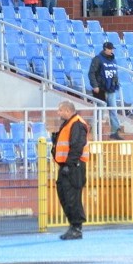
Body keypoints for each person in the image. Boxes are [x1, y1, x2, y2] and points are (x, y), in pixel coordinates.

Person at [50, 101, 89, 240]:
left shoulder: (77, 124)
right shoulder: (69, 123)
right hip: (67, 166)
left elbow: (77, 145)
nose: (58, 113)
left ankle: (77, 227)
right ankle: (73, 225)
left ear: (67, 110)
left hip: (74, 166)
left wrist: (69, 164)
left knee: (72, 198)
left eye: (60, 110)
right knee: (65, 196)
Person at [88, 41, 122, 140]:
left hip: (111, 89)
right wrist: (95, 86)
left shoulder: (113, 59)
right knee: (100, 111)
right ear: (105, 49)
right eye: (110, 49)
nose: (112, 51)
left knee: (113, 111)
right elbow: (91, 73)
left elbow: (114, 73)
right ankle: (95, 131)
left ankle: (115, 132)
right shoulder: (97, 59)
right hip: (101, 89)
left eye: (112, 49)